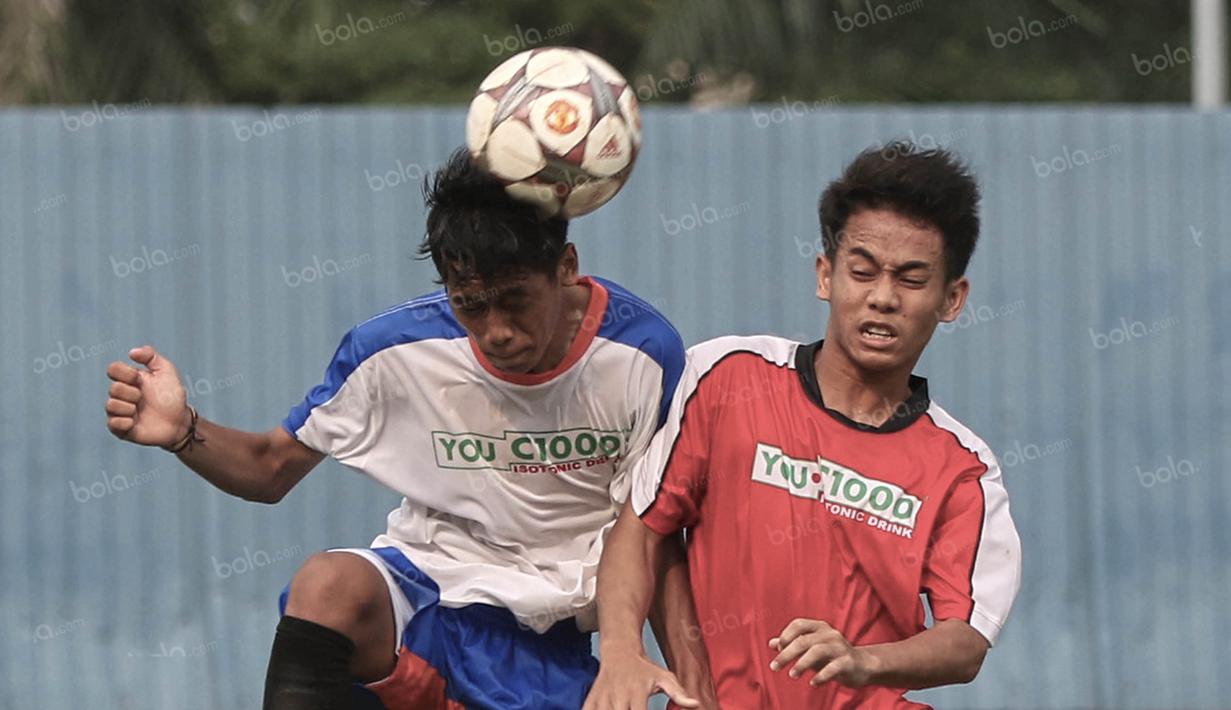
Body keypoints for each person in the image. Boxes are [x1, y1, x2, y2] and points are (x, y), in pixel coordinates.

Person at [105, 149, 714, 710]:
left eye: (514, 299)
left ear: (566, 267)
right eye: (470, 303)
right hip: (429, 598)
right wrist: (185, 431)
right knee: (327, 586)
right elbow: (269, 468)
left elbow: (655, 535)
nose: (495, 329)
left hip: (556, 637)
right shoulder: (392, 351)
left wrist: (679, 680)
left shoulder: (642, 354)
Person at [585, 141, 1023, 709]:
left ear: (952, 299)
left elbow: (965, 642)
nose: (882, 298)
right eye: (862, 272)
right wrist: (621, 649)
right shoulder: (727, 377)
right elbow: (643, 524)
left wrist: (866, 661)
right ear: (826, 276)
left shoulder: (963, 469)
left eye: (912, 280)